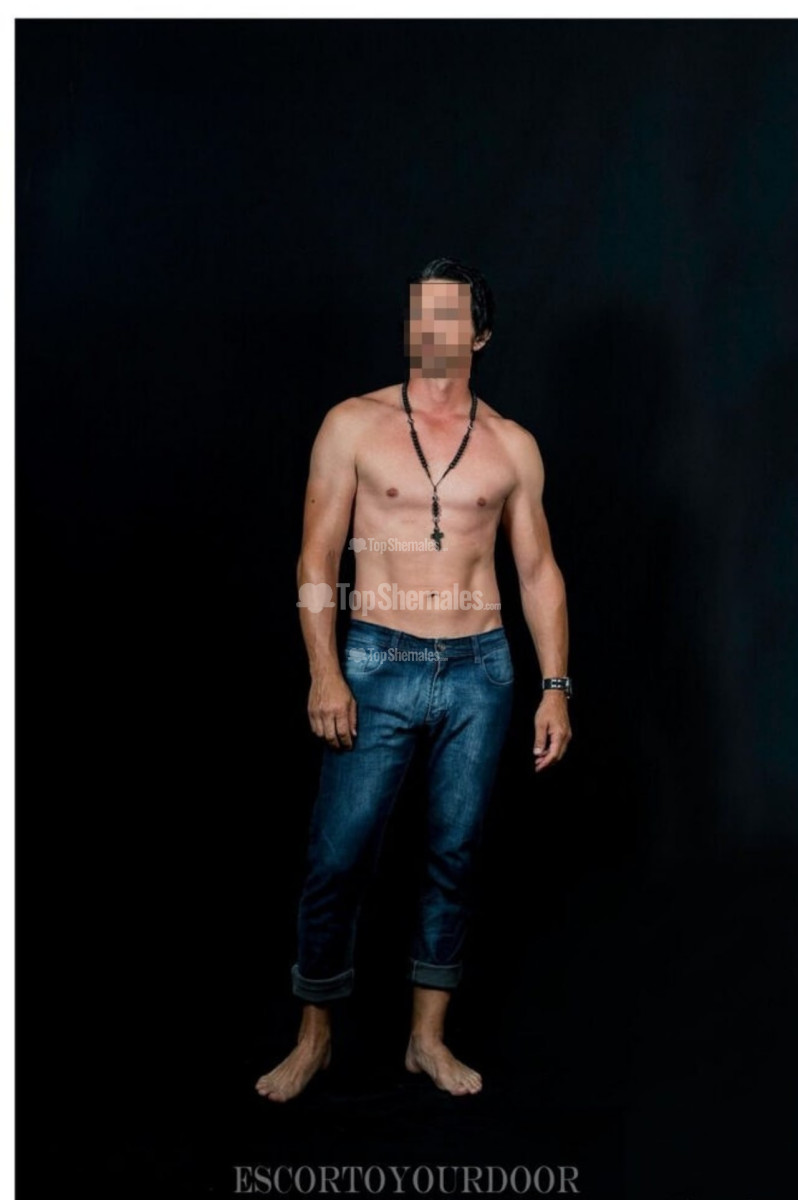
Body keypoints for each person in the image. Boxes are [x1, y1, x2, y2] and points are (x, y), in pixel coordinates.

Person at [255, 257, 572, 1101]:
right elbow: (317, 557)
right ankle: (314, 1038)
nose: (428, 328)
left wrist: (555, 686)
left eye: (447, 315)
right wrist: (324, 669)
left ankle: (426, 1041)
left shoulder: (511, 445)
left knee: (454, 855)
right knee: (338, 855)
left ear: (480, 334)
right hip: (377, 657)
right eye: (418, 312)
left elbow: (537, 571)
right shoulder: (352, 425)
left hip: (480, 669)